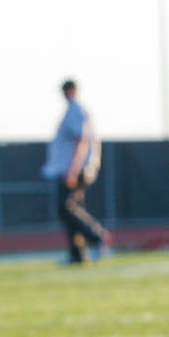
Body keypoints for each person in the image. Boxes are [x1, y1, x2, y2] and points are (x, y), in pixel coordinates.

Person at [42, 79, 107, 265]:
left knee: (66, 207)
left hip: (75, 169)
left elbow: (81, 140)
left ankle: (96, 236)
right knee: (70, 209)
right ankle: (77, 254)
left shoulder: (76, 110)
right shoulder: (72, 110)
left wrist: (73, 169)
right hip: (71, 169)